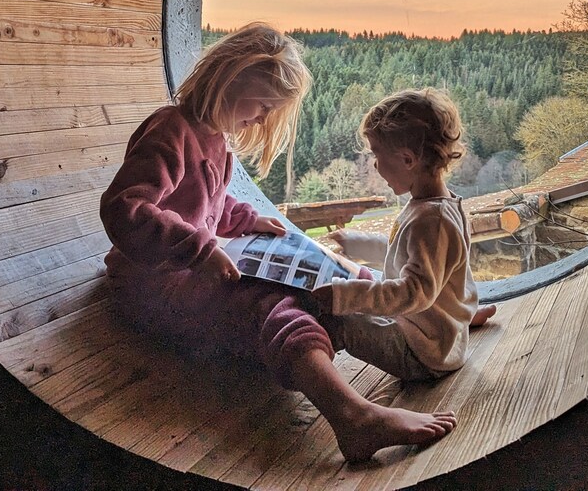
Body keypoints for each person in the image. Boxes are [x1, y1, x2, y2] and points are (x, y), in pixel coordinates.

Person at [98, 23, 458, 462]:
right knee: (270, 305)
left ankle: (433, 311)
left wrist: (246, 219)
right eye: (265, 104)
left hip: (188, 267)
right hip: (153, 283)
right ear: (233, 76)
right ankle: (353, 416)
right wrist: (199, 248)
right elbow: (125, 207)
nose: (264, 119)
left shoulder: (214, 139)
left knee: (318, 275)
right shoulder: (170, 129)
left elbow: (206, 201)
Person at [313, 88, 496, 382]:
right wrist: (355, 243)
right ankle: (455, 320)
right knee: (367, 290)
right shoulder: (439, 205)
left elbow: (414, 293)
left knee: (338, 321)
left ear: (408, 160)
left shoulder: (431, 221)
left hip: (424, 355)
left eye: (377, 155)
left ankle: (314, 374)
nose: (375, 165)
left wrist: (342, 296)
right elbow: (405, 254)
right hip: (431, 327)